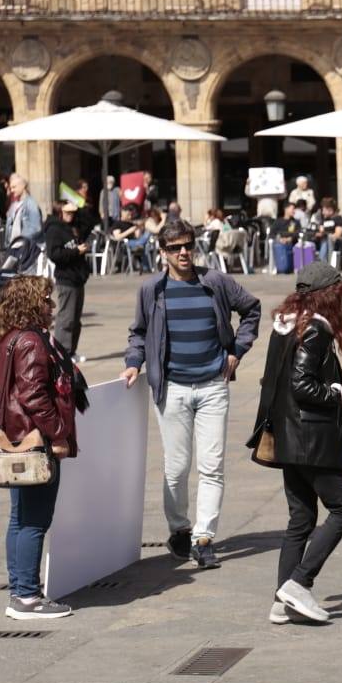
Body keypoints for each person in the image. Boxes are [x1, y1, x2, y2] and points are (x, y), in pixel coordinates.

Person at [120, 219, 262, 569]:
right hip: (173, 388)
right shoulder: (152, 288)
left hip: (213, 385)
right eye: (175, 248)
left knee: (212, 465)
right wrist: (133, 362)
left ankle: (204, 538)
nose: (183, 252)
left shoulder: (214, 282)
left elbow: (252, 310)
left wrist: (237, 350)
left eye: (188, 245)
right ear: (163, 252)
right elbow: (138, 332)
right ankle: (180, 528)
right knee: (177, 467)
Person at [249, 262, 342, 624]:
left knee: (300, 519)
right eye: (341, 291)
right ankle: (299, 583)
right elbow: (303, 385)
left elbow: (275, 383)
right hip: (311, 438)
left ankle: (280, 600)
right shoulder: (314, 330)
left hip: (288, 436)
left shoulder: (286, 325)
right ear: (327, 295)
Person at [0, 276, 87, 620]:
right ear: (30, 303)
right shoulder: (30, 341)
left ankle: (20, 590)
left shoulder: (7, 337)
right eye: (45, 299)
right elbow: (33, 395)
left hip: (13, 438)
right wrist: (57, 432)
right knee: (35, 520)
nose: (51, 305)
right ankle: (27, 597)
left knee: (20, 518)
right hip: (32, 439)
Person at [43, 199, 93, 362]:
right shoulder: (54, 229)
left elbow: (89, 223)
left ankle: (70, 351)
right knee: (66, 317)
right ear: (59, 212)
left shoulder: (73, 226)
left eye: (72, 213)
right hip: (66, 277)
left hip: (78, 276)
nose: (71, 216)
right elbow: (55, 255)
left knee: (76, 318)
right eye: (67, 212)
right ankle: (61, 353)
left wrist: (79, 207)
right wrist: (76, 251)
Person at [3, 174, 42, 263]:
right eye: (11, 188)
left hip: (25, 249)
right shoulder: (14, 205)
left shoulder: (31, 204)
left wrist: (22, 242)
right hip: (14, 248)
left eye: (14, 187)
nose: (12, 190)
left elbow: (36, 228)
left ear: (23, 186)